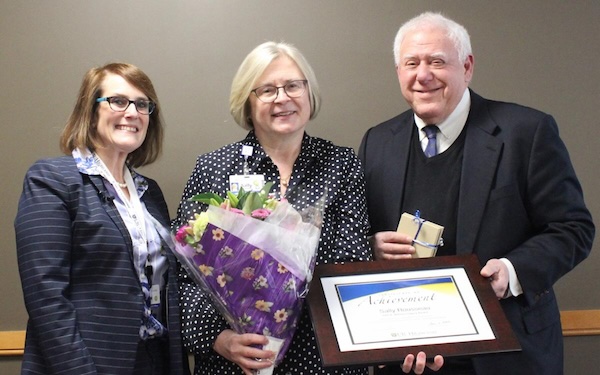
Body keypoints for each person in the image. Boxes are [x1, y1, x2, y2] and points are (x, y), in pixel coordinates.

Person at [173, 41, 441, 375]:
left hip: (323, 357)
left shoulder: (340, 164)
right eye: (267, 90)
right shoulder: (214, 168)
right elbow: (183, 277)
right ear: (247, 101)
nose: (282, 98)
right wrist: (220, 338)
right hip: (236, 361)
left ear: (309, 93)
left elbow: (352, 258)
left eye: (293, 86)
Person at [358, 12, 595, 375]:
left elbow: (573, 228)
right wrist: (372, 247)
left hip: (508, 355)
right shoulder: (377, 142)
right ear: (399, 72)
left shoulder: (526, 133)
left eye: (437, 61)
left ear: (467, 67)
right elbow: (359, 236)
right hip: (409, 356)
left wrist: (513, 270)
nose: (423, 75)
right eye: (412, 63)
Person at [15, 63, 189, 375]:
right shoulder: (51, 180)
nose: (132, 112)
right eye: (118, 101)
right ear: (90, 111)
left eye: (142, 104)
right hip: (84, 364)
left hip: (153, 360)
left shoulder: (150, 193)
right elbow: (46, 296)